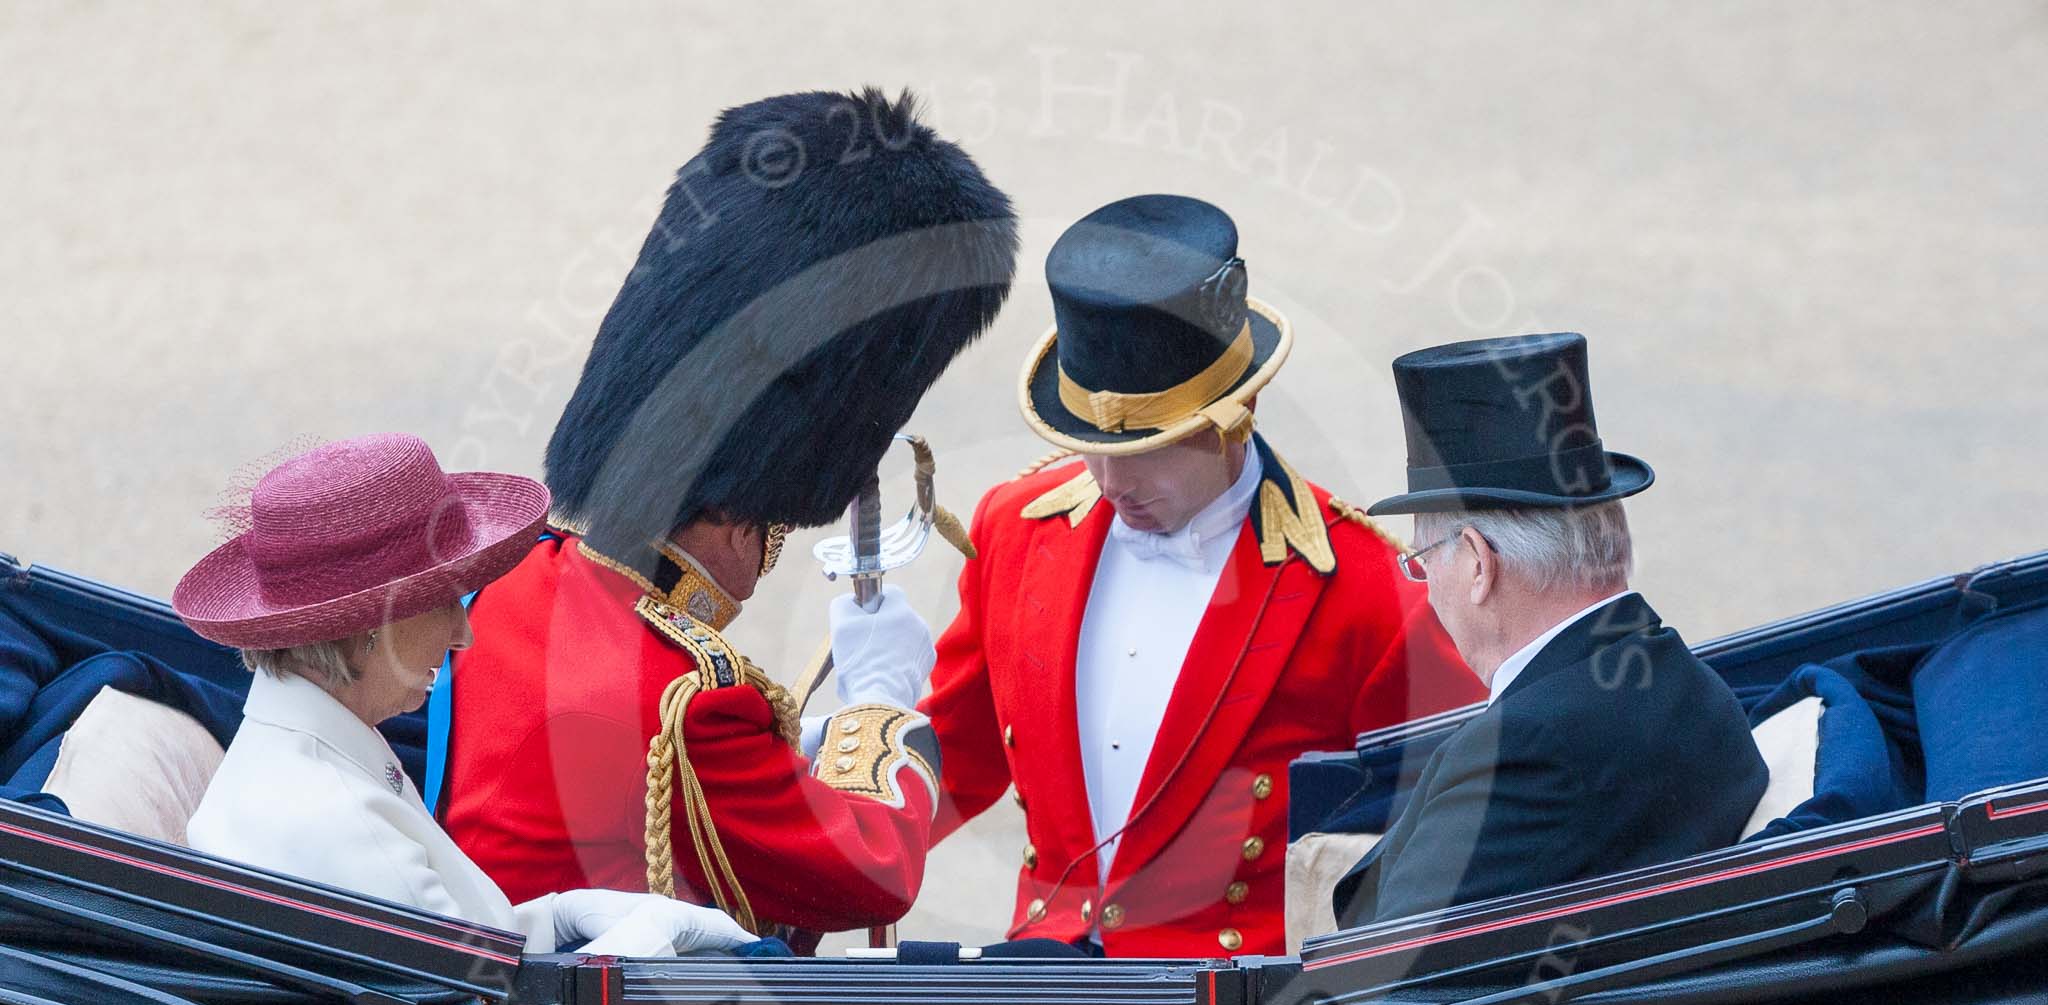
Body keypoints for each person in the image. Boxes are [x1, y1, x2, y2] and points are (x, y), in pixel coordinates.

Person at [439, 88, 1017, 954]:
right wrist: (881, 709)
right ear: (748, 517)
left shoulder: (514, 580)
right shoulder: (689, 700)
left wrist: (798, 744)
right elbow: (872, 870)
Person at [921, 194, 1483, 959]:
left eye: (1152, 447)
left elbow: (1454, 837)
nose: (1112, 481)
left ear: (1234, 411)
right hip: (1043, 988)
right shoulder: (1014, 531)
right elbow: (948, 768)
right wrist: (856, 752)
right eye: (1087, 443)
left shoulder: (1370, 590)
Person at [172, 433, 757, 957]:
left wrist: (559, 915)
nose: (463, 632)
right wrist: (634, 946)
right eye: (444, 602)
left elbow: (450, 935)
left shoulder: (311, 750)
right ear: (371, 628)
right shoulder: (334, 815)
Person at [1333, 333, 1768, 928]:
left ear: (1478, 565)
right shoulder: (1691, 685)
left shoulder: (1521, 756)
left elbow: (1384, 985)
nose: (1426, 587)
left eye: (1422, 561)